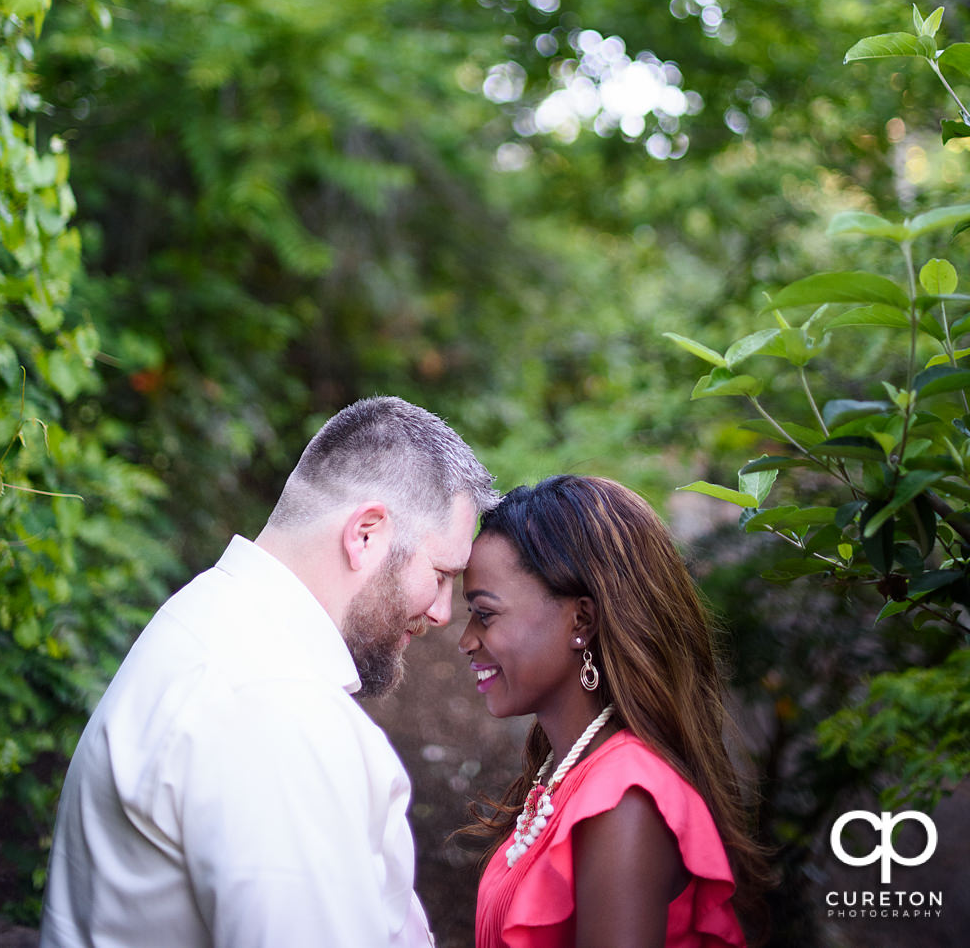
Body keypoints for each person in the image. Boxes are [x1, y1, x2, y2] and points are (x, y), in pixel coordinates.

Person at [40, 395, 496, 948]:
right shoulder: (275, 709)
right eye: (441, 573)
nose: (442, 612)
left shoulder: (213, 623)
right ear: (366, 534)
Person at [457, 475, 769, 948]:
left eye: (485, 613)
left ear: (581, 619)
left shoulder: (624, 797)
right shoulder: (569, 774)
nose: (466, 641)